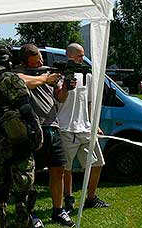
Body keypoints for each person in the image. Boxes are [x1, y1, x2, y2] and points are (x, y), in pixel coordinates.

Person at [0, 45, 43, 228]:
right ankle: (24, 223)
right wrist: (35, 134)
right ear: (7, 59)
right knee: (24, 189)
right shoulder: (9, 78)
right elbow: (26, 108)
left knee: (1, 189)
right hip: (17, 142)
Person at [17, 44, 75, 227]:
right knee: (30, 175)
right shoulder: (18, 73)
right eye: (36, 62)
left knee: (58, 169)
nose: (41, 63)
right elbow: (22, 81)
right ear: (25, 62)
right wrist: (45, 78)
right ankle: (30, 214)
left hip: (52, 127)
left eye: (41, 60)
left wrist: (66, 87)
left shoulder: (48, 74)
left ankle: (58, 210)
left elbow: (60, 97)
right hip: (32, 130)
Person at [58, 43, 109, 213]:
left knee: (97, 164)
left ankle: (91, 198)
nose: (82, 59)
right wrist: (65, 84)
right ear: (70, 56)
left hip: (85, 128)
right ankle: (68, 199)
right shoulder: (59, 75)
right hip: (66, 128)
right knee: (66, 168)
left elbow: (89, 103)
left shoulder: (87, 76)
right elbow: (59, 98)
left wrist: (94, 123)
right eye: (80, 56)